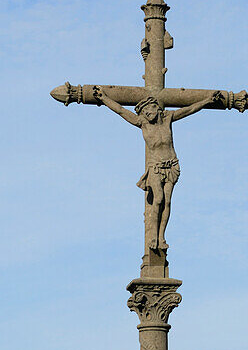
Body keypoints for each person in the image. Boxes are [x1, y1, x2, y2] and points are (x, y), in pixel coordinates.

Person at [92, 85, 226, 251]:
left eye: (148, 109)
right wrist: (104, 98)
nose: (146, 114)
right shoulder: (142, 123)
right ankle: (153, 236)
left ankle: (162, 237)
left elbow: (189, 109)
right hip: (155, 167)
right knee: (159, 199)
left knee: (168, 202)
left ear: (156, 106)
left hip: (172, 165)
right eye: (143, 112)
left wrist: (207, 100)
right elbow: (120, 110)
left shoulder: (168, 117)